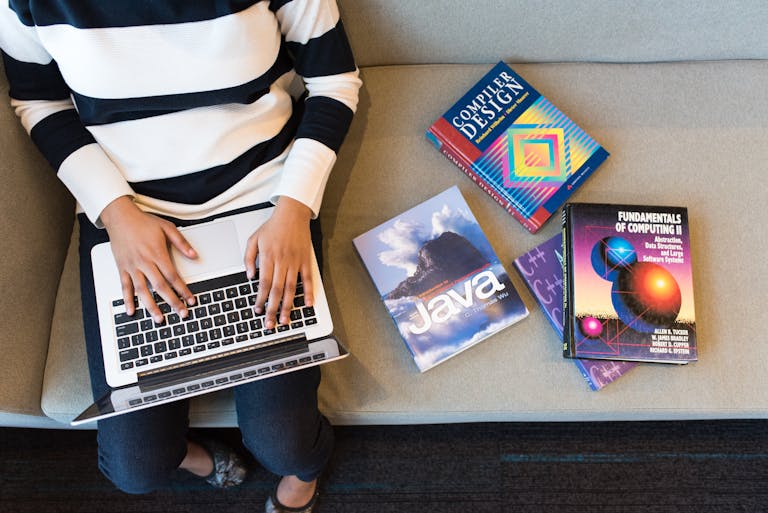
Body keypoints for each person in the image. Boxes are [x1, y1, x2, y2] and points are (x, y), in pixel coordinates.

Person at [1, 1, 361, 511]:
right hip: (128, 212)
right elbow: (39, 101)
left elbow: (334, 81)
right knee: (135, 467)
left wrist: (295, 209)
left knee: (286, 442)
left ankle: (305, 473)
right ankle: (195, 457)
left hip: (264, 199)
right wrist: (116, 213)